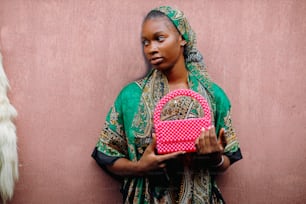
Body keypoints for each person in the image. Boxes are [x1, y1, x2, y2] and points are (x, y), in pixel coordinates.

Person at [92, 6, 242, 204]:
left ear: (182, 38)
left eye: (159, 38)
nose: (151, 49)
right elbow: (106, 155)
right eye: (145, 42)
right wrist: (140, 167)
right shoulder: (130, 97)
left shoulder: (213, 96)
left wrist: (215, 159)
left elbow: (228, 157)